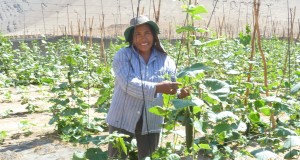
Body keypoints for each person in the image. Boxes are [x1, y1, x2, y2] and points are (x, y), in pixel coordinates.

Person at [106, 15, 189, 159]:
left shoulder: (166, 60)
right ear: (132, 38)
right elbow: (128, 83)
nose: (142, 38)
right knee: (117, 157)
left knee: (148, 157)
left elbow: (173, 87)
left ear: (154, 36)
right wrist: (157, 88)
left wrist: (181, 93)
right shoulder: (123, 55)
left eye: (147, 33)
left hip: (152, 119)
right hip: (122, 116)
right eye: (137, 34)